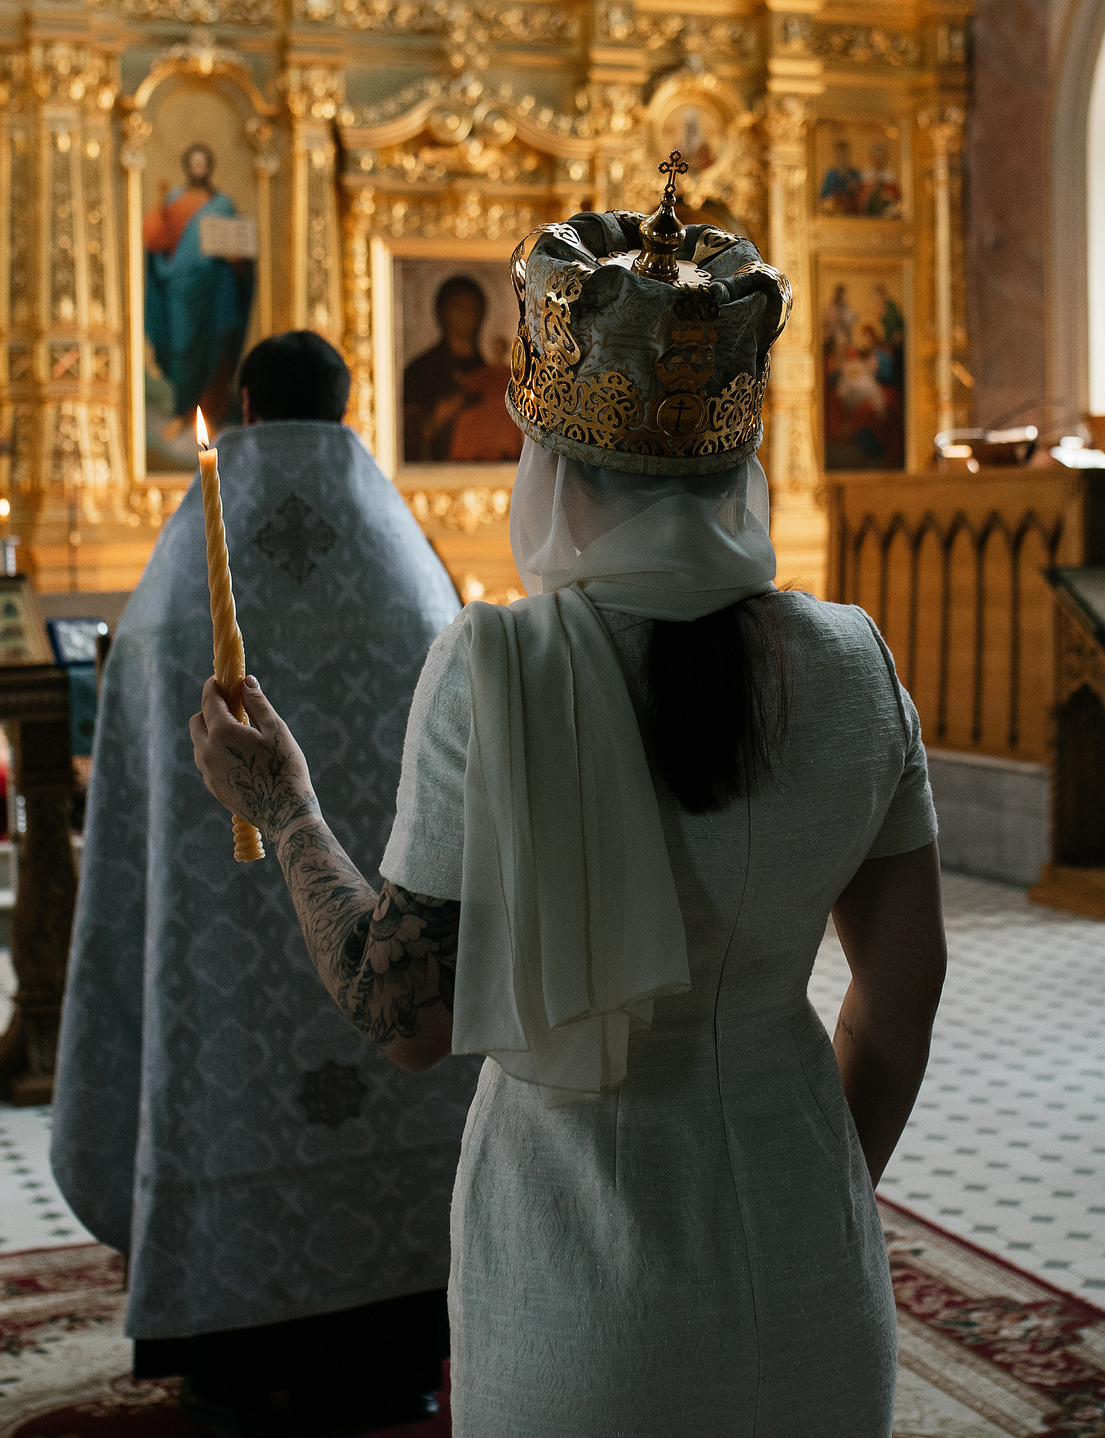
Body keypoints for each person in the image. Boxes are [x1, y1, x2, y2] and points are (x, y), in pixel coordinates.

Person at [190, 178, 948, 1436]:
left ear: (548, 458)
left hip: (580, 1263)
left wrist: (285, 810)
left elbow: (405, 1011)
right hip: (805, 1236)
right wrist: (815, 1181)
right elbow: (902, 985)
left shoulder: (497, 671)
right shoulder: (852, 658)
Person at [52, 331, 475, 1438]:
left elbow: (133, 791)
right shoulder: (413, 582)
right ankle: (395, 1360)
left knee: (233, 1088)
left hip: (219, 963)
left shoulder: (170, 600)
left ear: (241, 406)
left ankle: (238, 1368)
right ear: (349, 407)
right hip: (383, 938)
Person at [143, 143, 255, 431]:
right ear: (187, 167)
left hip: (215, 289)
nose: (198, 169)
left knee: (215, 348)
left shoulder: (223, 204)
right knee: (181, 349)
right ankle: (182, 412)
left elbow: (240, 253)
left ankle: (209, 412)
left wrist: (235, 257)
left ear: (209, 167)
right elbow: (157, 242)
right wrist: (157, 218)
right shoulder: (172, 201)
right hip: (179, 289)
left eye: (203, 164)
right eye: (193, 163)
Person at [399, 275, 518, 462]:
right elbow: (408, 435)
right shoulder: (420, 371)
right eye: (459, 307)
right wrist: (438, 418)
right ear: (441, 312)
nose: (467, 315)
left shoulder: (494, 371)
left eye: (473, 308)